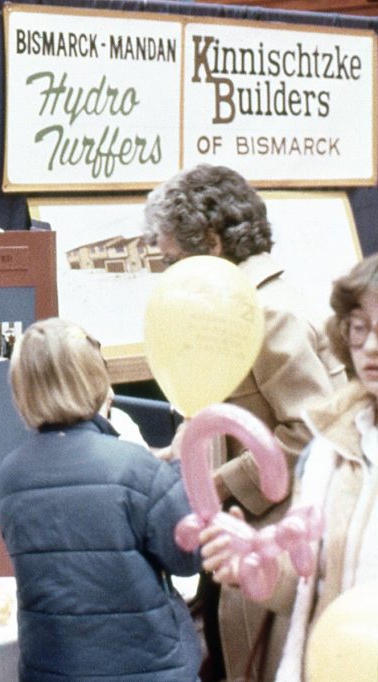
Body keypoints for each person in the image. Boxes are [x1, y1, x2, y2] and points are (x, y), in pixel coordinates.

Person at [144, 164, 346, 680]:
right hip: (244, 538)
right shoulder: (238, 306)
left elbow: (311, 434)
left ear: (212, 243)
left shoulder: (267, 312)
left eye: (172, 261)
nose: (169, 277)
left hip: (273, 548)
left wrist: (216, 485)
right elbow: (233, 412)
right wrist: (181, 451)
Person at [202, 253, 378, 681]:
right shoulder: (330, 450)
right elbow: (312, 588)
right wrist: (254, 566)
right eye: (360, 327)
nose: (371, 346)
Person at [0, 318, 201, 681]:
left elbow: (84, 486)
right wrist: (181, 466)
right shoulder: (133, 466)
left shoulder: (12, 475)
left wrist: (159, 465)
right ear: (93, 379)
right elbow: (188, 557)